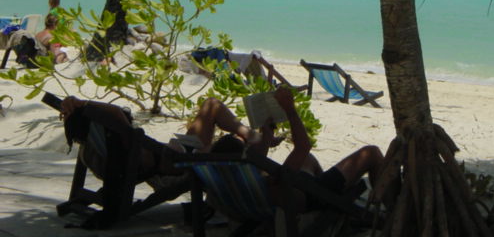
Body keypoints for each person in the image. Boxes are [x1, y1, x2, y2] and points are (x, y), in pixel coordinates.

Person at [60, 87, 385, 209]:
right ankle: (388, 200)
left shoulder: (233, 178)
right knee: (370, 152)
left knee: (308, 160)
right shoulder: (272, 179)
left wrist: (258, 139)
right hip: (305, 195)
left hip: (254, 191)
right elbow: (303, 143)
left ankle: (260, 138)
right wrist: (289, 109)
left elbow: (258, 158)